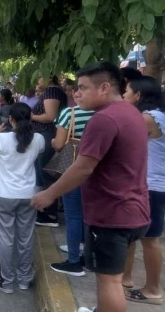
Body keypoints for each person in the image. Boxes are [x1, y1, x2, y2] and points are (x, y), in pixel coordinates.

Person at [32, 61, 150, 312]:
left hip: (113, 214)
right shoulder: (133, 113)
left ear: (105, 87)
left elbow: (83, 167)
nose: (76, 94)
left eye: (83, 88)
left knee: (110, 282)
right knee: (112, 279)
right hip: (133, 210)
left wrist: (49, 194)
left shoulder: (103, 120)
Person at [120, 76, 165, 305]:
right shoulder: (162, 116)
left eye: (127, 92)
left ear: (138, 96)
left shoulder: (147, 118)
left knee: (149, 240)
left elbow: (125, 144)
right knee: (133, 237)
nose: (124, 96)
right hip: (153, 184)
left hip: (150, 186)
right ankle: (125, 279)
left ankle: (152, 289)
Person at [0, 103, 44, 293]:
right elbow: (37, 153)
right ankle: (25, 279)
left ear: (10, 119)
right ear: (31, 117)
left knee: (5, 238)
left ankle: (6, 282)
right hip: (28, 195)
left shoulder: (1, 139)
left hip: (4, 195)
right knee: (25, 238)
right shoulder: (39, 139)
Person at [49, 104, 94, 277]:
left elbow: (59, 144)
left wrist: (53, 142)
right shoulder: (102, 112)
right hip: (95, 169)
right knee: (88, 215)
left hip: (73, 167)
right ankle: (88, 257)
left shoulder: (70, 113)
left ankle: (73, 261)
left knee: (74, 214)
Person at [31, 75, 67, 228]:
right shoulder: (52, 91)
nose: (38, 82)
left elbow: (50, 116)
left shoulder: (52, 92)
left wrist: (31, 115)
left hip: (47, 135)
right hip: (44, 135)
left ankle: (50, 214)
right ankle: (42, 209)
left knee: (46, 173)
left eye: (40, 78)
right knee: (42, 173)